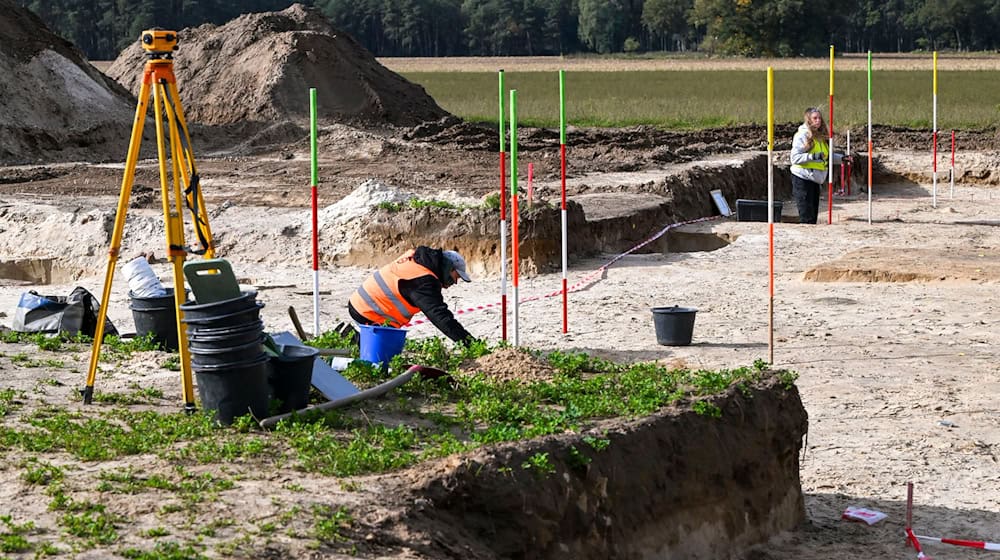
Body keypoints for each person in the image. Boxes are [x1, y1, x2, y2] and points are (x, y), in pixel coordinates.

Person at [347, 246, 476, 344]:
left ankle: (347, 337)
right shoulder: (424, 280)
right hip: (368, 313)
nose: (455, 282)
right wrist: (470, 343)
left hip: (361, 303)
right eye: (456, 276)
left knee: (389, 348)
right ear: (449, 268)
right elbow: (441, 318)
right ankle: (350, 339)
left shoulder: (417, 261)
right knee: (382, 358)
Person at [789, 107, 851, 224]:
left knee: (813, 217)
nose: (818, 121)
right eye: (815, 118)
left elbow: (826, 156)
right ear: (808, 120)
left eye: (819, 118)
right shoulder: (802, 135)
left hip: (816, 180)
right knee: (806, 216)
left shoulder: (821, 137)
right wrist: (813, 156)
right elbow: (794, 158)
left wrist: (842, 159)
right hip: (802, 178)